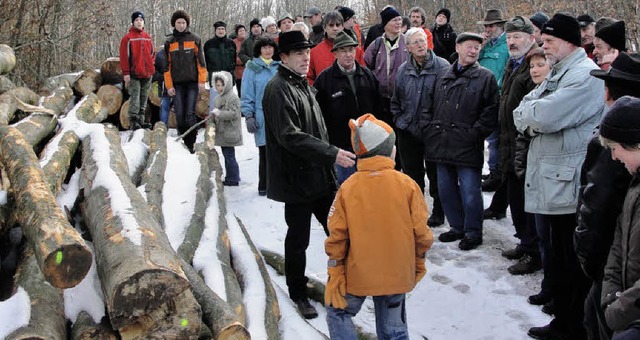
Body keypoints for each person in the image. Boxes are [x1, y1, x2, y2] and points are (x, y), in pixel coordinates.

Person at [512, 13, 605, 340]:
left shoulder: (584, 75)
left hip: (568, 183)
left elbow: (546, 114)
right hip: (552, 179)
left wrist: (529, 116)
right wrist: (529, 115)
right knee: (559, 257)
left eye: (549, 41)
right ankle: (564, 321)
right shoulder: (561, 72)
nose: (543, 47)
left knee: (570, 260)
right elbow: (523, 105)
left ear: (568, 41)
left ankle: (574, 327)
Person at [262, 31, 356, 318]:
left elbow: (317, 127)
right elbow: (289, 135)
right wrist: (331, 152)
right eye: (299, 53)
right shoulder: (278, 89)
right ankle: (298, 292)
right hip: (297, 180)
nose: (306, 58)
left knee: (338, 230)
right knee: (298, 238)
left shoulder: (303, 85)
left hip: (319, 176)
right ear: (284, 58)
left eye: (307, 52)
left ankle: (349, 281)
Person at [324, 113, 434, 339]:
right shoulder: (407, 185)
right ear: (386, 150)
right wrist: (418, 259)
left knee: (337, 311)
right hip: (397, 272)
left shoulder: (348, 188)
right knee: (394, 330)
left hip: (359, 273)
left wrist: (335, 271)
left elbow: (336, 234)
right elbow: (421, 231)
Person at [574, 52, 640, 340]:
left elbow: (596, 210)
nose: (615, 156)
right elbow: (619, 234)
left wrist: (615, 302)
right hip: (617, 280)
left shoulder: (613, 148)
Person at [425, 32, 499, 251]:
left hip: (467, 145)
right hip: (441, 143)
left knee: (470, 191)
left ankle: (473, 232)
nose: (473, 50)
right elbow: (428, 105)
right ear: (457, 48)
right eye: (469, 46)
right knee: (445, 190)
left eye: (477, 47)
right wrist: (429, 130)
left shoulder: (485, 77)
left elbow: (490, 112)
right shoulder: (442, 74)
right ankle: (457, 227)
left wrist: (473, 134)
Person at [482, 16, 542, 275]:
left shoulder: (533, 66)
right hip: (508, 141)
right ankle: (525, 243)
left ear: (530, 38)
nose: (513, 41)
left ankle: (534, 252)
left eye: (518, 37)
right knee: (516, 202)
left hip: (523, 144)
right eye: (509, 38)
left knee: (526, 203)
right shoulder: (511, 62)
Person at [391, 27, 449, 227]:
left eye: (423, 40)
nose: (420, 45)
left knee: (436, 175)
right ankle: (416, 211)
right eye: (415, 42)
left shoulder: (442, 66)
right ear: (407, 47)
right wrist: (401, 121)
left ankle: (439, 212)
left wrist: (436, 125)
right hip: (408, 131)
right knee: (412, 176)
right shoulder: (402, 70)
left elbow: (447, 101)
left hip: (433, 132)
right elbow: (395, 101)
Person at [314, 31, 381, 184]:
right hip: (342, 148)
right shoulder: (324, 80)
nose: (348, 54)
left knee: (371, 187)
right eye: (343, 50)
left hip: (368, 145)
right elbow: (320, 117)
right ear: (335, 53)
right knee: (348, 188)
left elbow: (379, 110)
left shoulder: (368, 76)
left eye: (351, 50)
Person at [599, 96, 640, 340]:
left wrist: (620, 309)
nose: (614, 157)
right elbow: (619, 241)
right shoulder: (635, 185)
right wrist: (610, 293)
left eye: (615, 148)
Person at [517, 48, 554, 311]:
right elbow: (518, 116)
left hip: (547, 170)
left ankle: (553, 288)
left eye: (541, 65)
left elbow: (537, 120)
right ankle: (549, 286)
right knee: (538, 227)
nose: (535, 69)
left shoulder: (553, 94)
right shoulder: (532, 92)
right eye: (533, 66)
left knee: (552, 236)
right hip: (528, 164)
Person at [364, 6, 409, 171]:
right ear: (385, 24)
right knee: (385, 136)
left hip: (404, 99)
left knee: (403, 137)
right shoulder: (376, 44)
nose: (398, 22)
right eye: (393, 20)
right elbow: (365, 65)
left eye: (399, 19)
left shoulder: (407, 41)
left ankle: (403, 169)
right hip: (382, 100)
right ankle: (388, 168)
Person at [241, 37, 280, 196]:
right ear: (259, 50)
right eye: (264, 47)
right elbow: (247, 93)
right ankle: (264, 185)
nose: (268, 50)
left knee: (279, 150)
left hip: (280, 114)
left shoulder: (279, 67)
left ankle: (279, 185)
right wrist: (249, 115)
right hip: (261, 115)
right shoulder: (252, 68)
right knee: (265, 152)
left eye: (270, 47)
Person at [164, 10, 207, 152]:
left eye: (183, 22)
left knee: (190, 113)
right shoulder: (169, 42)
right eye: (178, 22)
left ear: (187, 24)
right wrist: (169, 86)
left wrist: (202, 81)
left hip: (193, 83)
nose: (181, 25)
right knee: (180, 114)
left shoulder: (195, 39)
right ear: (174, 24)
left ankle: (191, 144)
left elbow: (201, 62)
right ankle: (181, 142)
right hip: (177, 84)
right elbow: (166, 67)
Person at [477, 9, 510, 193]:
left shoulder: (506, 46)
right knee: (488, 138)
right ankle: (492, 171)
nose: (488, 29)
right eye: (486, 26)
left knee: (496, 139)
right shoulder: (485, 45)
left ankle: (497, 174)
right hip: (482, 97)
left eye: (491, 26)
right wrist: (481, 46)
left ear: (500, 26)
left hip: (499, 97)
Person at [307, 11, 365, 85]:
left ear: (342, 27)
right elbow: (308, 78)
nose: (335, 28)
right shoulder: (314, 52)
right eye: (331, 25)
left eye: (338, 25)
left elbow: (364, 73)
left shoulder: (355, 50)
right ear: (324, 28)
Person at [119, 11, 155, 130]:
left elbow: (152, 53)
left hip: (147, 73)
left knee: (144, 97)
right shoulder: (128, 38)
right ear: (133, 22)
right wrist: (126, 73)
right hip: (134, 73)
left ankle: (141, 119)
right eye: (136, 20)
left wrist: (151, 65)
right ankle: (133, 120)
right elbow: (124, 57)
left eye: (141, 20)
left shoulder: (147, 37)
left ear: (144, 22)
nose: (139, 22)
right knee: (135, 97)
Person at [210, 71, 242, 186]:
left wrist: (219, 113)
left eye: (222, 85)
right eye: (217, 85)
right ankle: (231, 176)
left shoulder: (233, 98)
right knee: (227, 155)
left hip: (230, 132)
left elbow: (233, 114)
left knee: (229, 156)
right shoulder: (218, 98)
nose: (220, 88)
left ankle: (233, 178)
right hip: (223, 133)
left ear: (228, 84)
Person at [204, 21, 236, 108]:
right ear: (215, 30)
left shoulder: (231, 43)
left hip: (228, 78)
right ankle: (213, 121)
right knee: (214, 106)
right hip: (215, 79)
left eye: (222, 29)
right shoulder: (208, 44)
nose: (221, 31)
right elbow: (207, 62)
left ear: (225, 30)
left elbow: (234, 61)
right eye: (219, 29)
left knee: (228, 106)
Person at [152, 46, 170, 126]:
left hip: (178, 83)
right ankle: (163, 127)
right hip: (164, 84)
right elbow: (154, 71)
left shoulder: (179, 51)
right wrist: (163, 77)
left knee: (179, 107)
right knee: (164, 106)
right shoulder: (160, 55)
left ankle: (180, 129)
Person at [233, 24, 247, 97]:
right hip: (238, 70)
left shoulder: (248, 41)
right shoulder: (233, 42)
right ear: (237, 33)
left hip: (248, 69)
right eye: (240, 31)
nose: (242, 32)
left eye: (243, 30)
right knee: (240, 91)